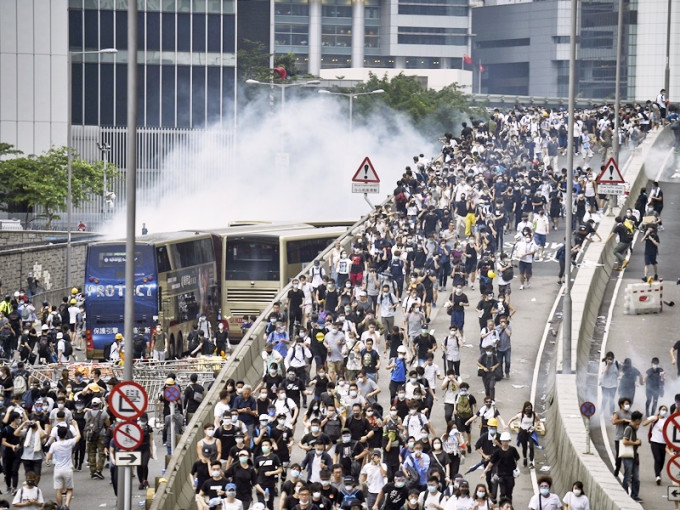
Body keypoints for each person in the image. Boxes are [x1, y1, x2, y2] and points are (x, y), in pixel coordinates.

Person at [46, 422, 81, 510]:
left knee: (58, 490)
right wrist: (76, 425)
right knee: (69, 489)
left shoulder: (54, 445)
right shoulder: (69, 442)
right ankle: (66, 505)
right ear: (66, 434)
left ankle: (59, 506)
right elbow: (78, 437)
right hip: (68, 469)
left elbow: (48, 457)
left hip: (57, 469)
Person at [483, 431, 519, 502]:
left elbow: (516, 459)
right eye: (503, 441)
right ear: (501, 441)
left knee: (509, 493)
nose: (505, 443)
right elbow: (491, 462)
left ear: (509, 441)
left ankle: (508, 506)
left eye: (506, 441)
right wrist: (485, 471)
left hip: (510, 475)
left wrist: (517, 469)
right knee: (502, 493)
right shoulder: (498, 452)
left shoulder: (513, 450)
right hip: (501, 475)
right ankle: (502, 506)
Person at [643, 405, 668, 485]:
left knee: (662, 461)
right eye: (663, 409)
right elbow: (644, 424)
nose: (664, 411)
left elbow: (670, 430)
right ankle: (658, 476)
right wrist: (652, 420)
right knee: (657, 458)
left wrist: (664, 430)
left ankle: (658, 473)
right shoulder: (654, 418)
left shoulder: (667, 420)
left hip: (664, 443)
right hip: (654, 442)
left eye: (665, 410)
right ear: (659, 410)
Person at [620, 410, 643, 502]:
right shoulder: (629, 428)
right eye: (640, 419)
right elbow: (625, 441)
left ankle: (634, 495)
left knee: (636, 477)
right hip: (628, 456)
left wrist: (637, 442)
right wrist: (635, 442)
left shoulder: (634, 428)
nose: (641, 421)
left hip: (634, 456)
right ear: (637, 420)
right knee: (628, 476)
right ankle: (624, 495)